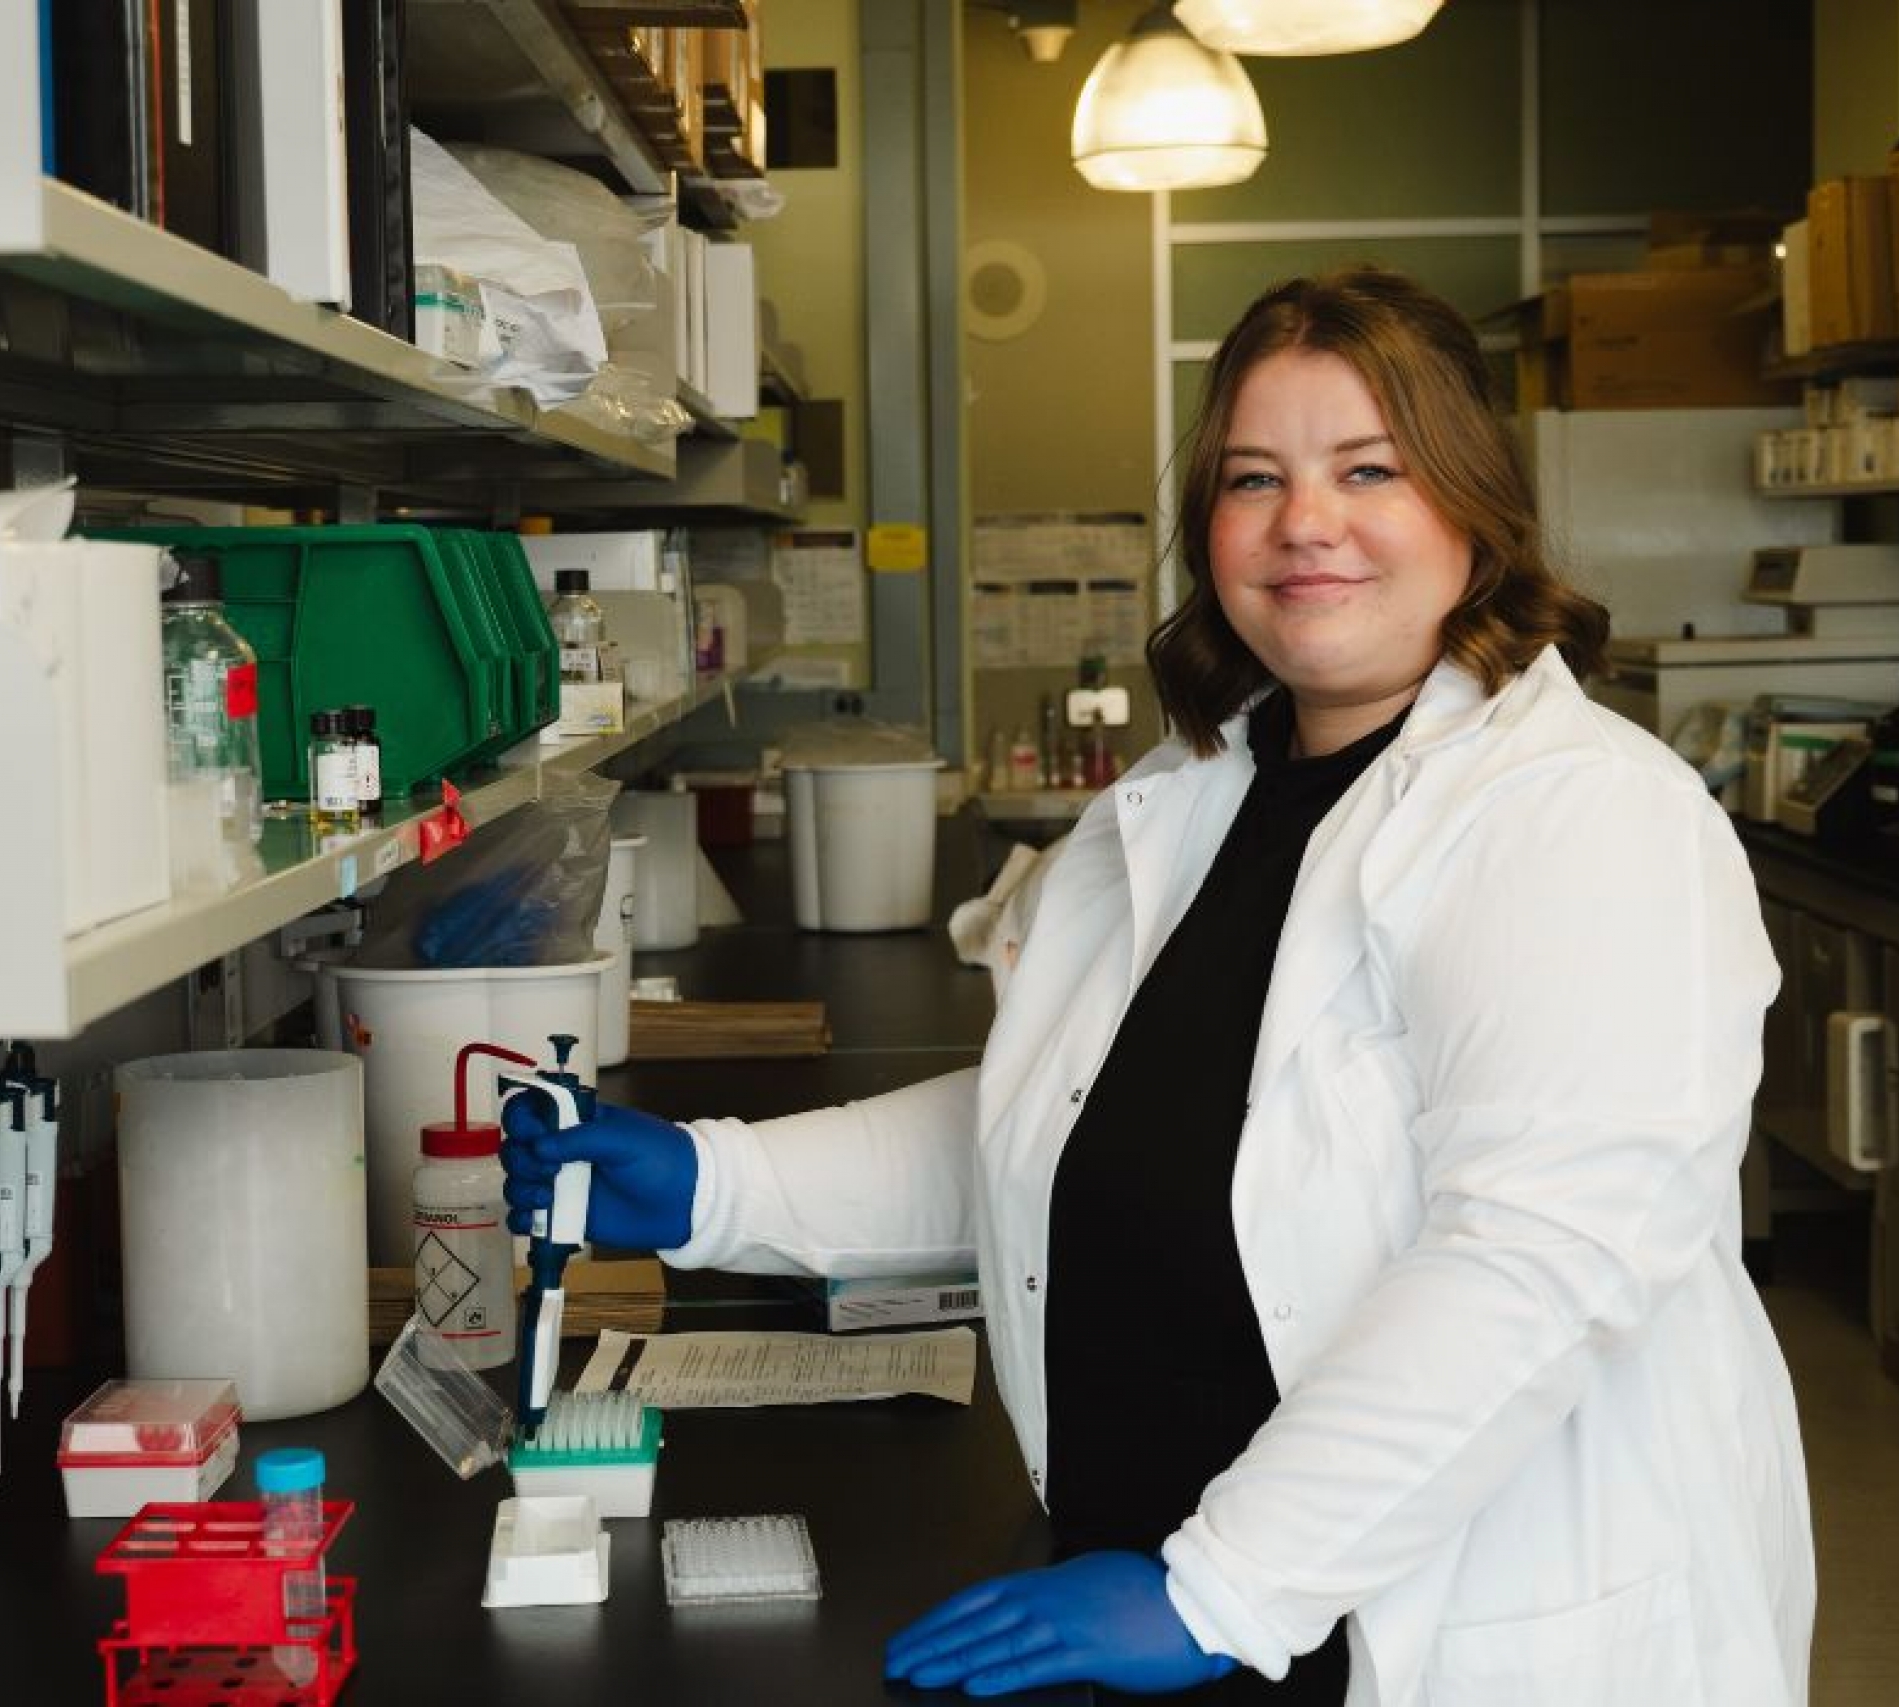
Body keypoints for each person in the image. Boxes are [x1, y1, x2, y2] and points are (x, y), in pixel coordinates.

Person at [504, 262, 1814, 1704]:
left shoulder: (1580, 816)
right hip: (1158, 1589)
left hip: (1417, 1617)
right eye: (1254, 479)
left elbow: (1537, 1265)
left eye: (1367, 468)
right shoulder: (1196, 792)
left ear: (1473, 505)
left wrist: (1217, 1589)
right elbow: (1074, 1119)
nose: (1305, 522)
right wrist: (716, 1187)